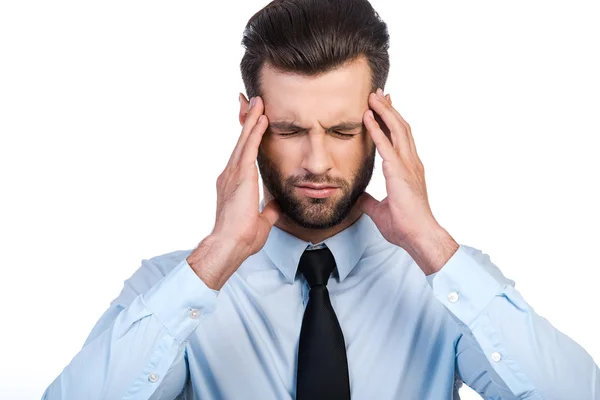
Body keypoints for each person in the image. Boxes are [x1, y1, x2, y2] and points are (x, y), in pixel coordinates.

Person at [42, 0, 599, 399]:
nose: (315, 162)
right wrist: (215, 259)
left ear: (381, 122)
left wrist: (429, 243)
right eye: (288, 130)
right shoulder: (173, 290)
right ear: (249, 122)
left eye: (340, 131)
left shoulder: (447, 283)